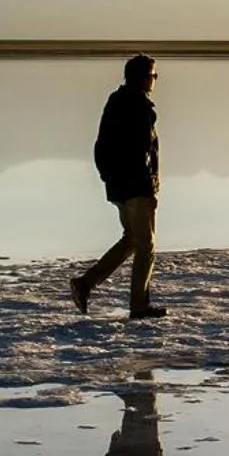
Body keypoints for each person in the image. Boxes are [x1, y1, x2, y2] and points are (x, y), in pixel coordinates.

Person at [71, 52, 166, 318]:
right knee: (146, 245)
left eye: (155, 75)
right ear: (138, 77)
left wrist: (109, 179)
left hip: (122, 184)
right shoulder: (133, 106)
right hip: (133, 186)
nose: (154, 80)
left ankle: (86, 283)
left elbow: (103, 147)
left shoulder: (122, 102)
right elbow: (139, 152)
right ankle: (139, 305)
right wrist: (147, 188)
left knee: (133, 240)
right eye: (151, 75)